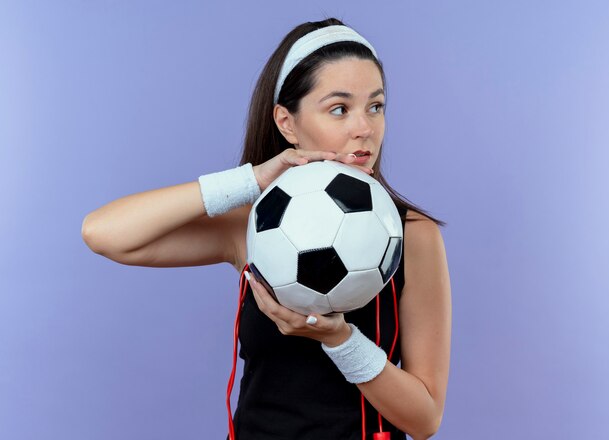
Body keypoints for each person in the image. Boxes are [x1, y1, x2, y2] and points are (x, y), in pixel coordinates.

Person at [81, 17, 451, 440]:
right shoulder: (254, 223)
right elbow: (103, 233)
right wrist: (250, 181)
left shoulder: (414, 235)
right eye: (338, 108)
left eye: (376, 106)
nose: (363, 127)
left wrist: (341, 339)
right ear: (286, 122)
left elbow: (425, 420)